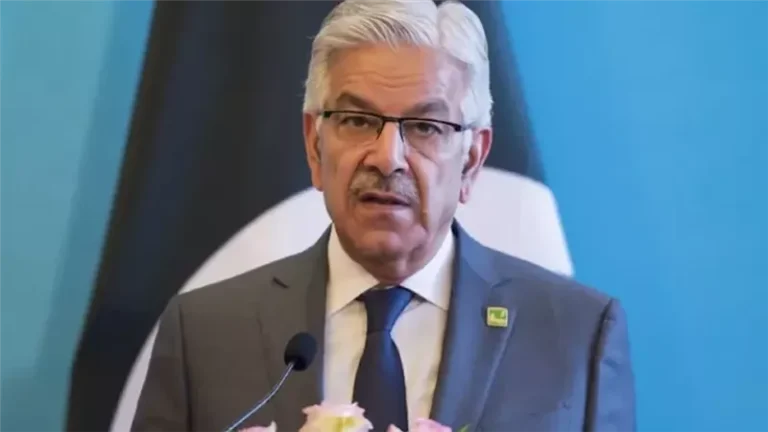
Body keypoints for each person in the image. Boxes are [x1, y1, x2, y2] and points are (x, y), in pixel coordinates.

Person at [131, 1, 636, 431]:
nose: (387, 157)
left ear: (472, 160)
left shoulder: (576, 338)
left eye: (425, 127)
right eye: (356, 120)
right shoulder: (205, 333)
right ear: (313, 145)